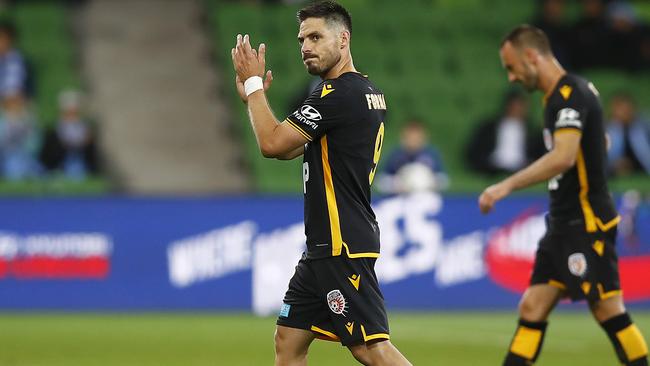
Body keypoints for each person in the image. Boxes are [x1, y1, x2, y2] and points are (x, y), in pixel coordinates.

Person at [230, 2, 411, 365]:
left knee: (370, 347)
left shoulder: (337, 94)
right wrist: (256, 101)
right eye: (301, 40)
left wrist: (254, 87)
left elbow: (271, 144)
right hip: (324, 245)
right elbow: (286, 149)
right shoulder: (364, 91)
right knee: (289, 339)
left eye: (316, 36)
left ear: (343, 39)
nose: (306, 47)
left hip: (340, 241)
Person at [479, 25, 648, 366]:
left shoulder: (571, 93)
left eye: (512, 67)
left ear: (531, 56)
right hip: (562, 224)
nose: (511, 77)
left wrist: (504, 185)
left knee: (607, 308)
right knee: (532, 306)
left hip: (585, 222)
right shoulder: (558, 98)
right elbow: (598, 143)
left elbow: (563, 156)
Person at [465, 90, 544, 176]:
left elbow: (540, 154)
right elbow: (475, 151)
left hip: (521, 168)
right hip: (493, 168)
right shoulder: (489, 127)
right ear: (507, 106)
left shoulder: (531, 131)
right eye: (513, 106)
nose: (516, 109)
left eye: (520, 106)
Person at [378, 119, 448, 194]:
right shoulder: (396, 156)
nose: (413, 140)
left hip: (426, 197)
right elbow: (381, 180)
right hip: (401, 198)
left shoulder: (431, 155)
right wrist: (396, 184)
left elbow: (443, 179)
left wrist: (429, 183)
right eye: (410, 137)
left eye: (416, 137)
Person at [606, 92, 650, 176]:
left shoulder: (644, 127)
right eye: (619, 108)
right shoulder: (608, 129)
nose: (623, 112)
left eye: (625, 108)